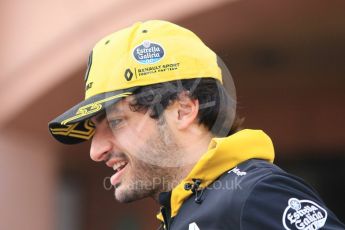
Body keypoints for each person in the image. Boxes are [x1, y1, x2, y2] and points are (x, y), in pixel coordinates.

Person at [49, 20, 345, 230]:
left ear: (182, 110)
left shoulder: (253, 194)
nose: (96, 150)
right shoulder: (185, 210)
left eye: (116, 121)